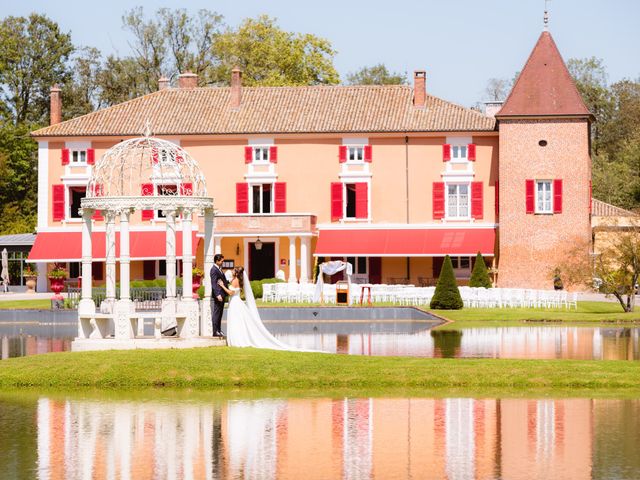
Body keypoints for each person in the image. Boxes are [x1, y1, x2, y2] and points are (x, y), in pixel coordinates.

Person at [218, 267, 318, 351]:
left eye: (234, 270)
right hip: (235, 302)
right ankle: (238, 338)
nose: (232, 270)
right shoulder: (237, 280)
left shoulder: (235, 281)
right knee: (238, 322)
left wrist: (222, 286)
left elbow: (231, 293)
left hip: (235, 303)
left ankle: (237, 340)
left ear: (237, 273)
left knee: (236, 321)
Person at [210, 254, 228, 337]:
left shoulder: (219, 269)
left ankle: (219, 330)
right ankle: (215, 331)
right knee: (216, 313)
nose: (222, 262)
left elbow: (223, 280)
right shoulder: (213, 270)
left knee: (220, 313)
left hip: (222, 294)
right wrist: (217, 294)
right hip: (219, 295)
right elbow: (213, 283)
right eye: (222, 261)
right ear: (217, 261)